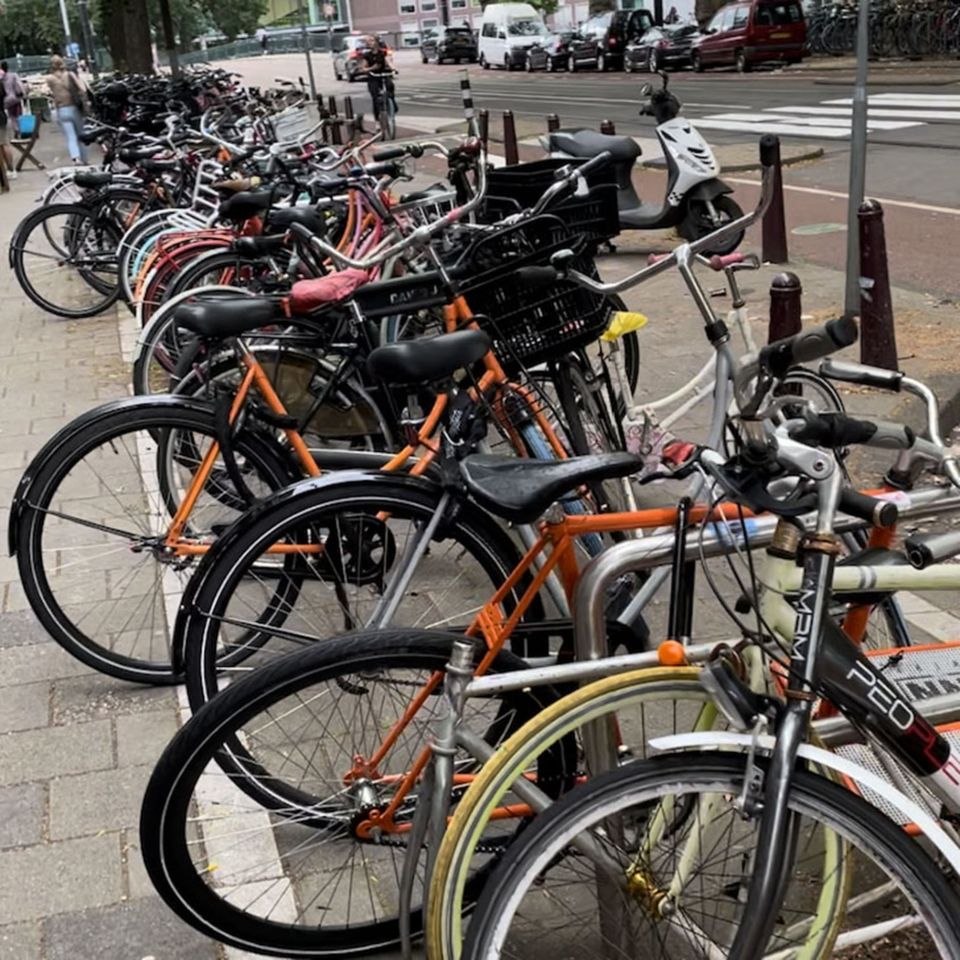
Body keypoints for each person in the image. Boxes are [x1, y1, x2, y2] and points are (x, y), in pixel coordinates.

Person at [46, 55, 88, 164]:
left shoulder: (50, 79)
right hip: (74, 108)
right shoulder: (70, 75)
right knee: (81, 134)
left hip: (62, 110)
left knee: (70, 136)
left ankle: (75, 157)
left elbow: (47, 92)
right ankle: (84, 159)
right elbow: (83, 89)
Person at [356, 35, 396, 120]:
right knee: (375, 96)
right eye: (368, 41)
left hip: (383, 75)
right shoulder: (367, 55)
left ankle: (392, 104)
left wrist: (393, 69)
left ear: (377, 42)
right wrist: (370, 69)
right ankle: (377, 119)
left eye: (372, 40)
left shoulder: (383, 53)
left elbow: (388, 61)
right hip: (373, 76)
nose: (370, 43)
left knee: (390, 86)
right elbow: (363, 67)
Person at [1, 60, 24, 139]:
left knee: (12, 115)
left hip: (7, 100)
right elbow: (19, 85)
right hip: (15, 98)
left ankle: (16, 130)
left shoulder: (1, 78)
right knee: (18, 114)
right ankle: (20, 130)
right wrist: (21, 93)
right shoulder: (13, 75)